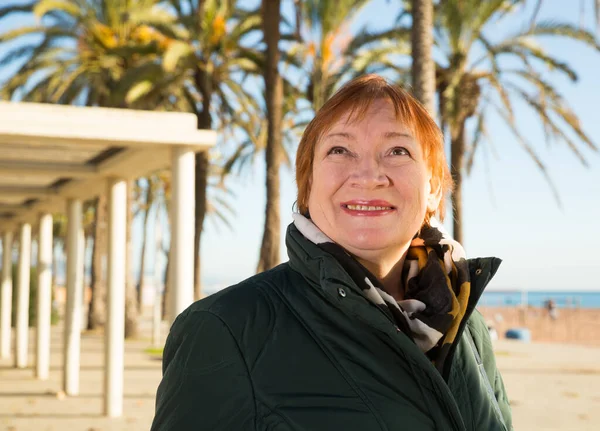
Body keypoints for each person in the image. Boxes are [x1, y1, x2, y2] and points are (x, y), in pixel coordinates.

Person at [150, 75, 513, 431]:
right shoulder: (227, 330)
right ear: (307, 185)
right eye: (339, 150)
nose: (369, 175)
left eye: (398, 151)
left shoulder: (467, 326)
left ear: (433, 188)